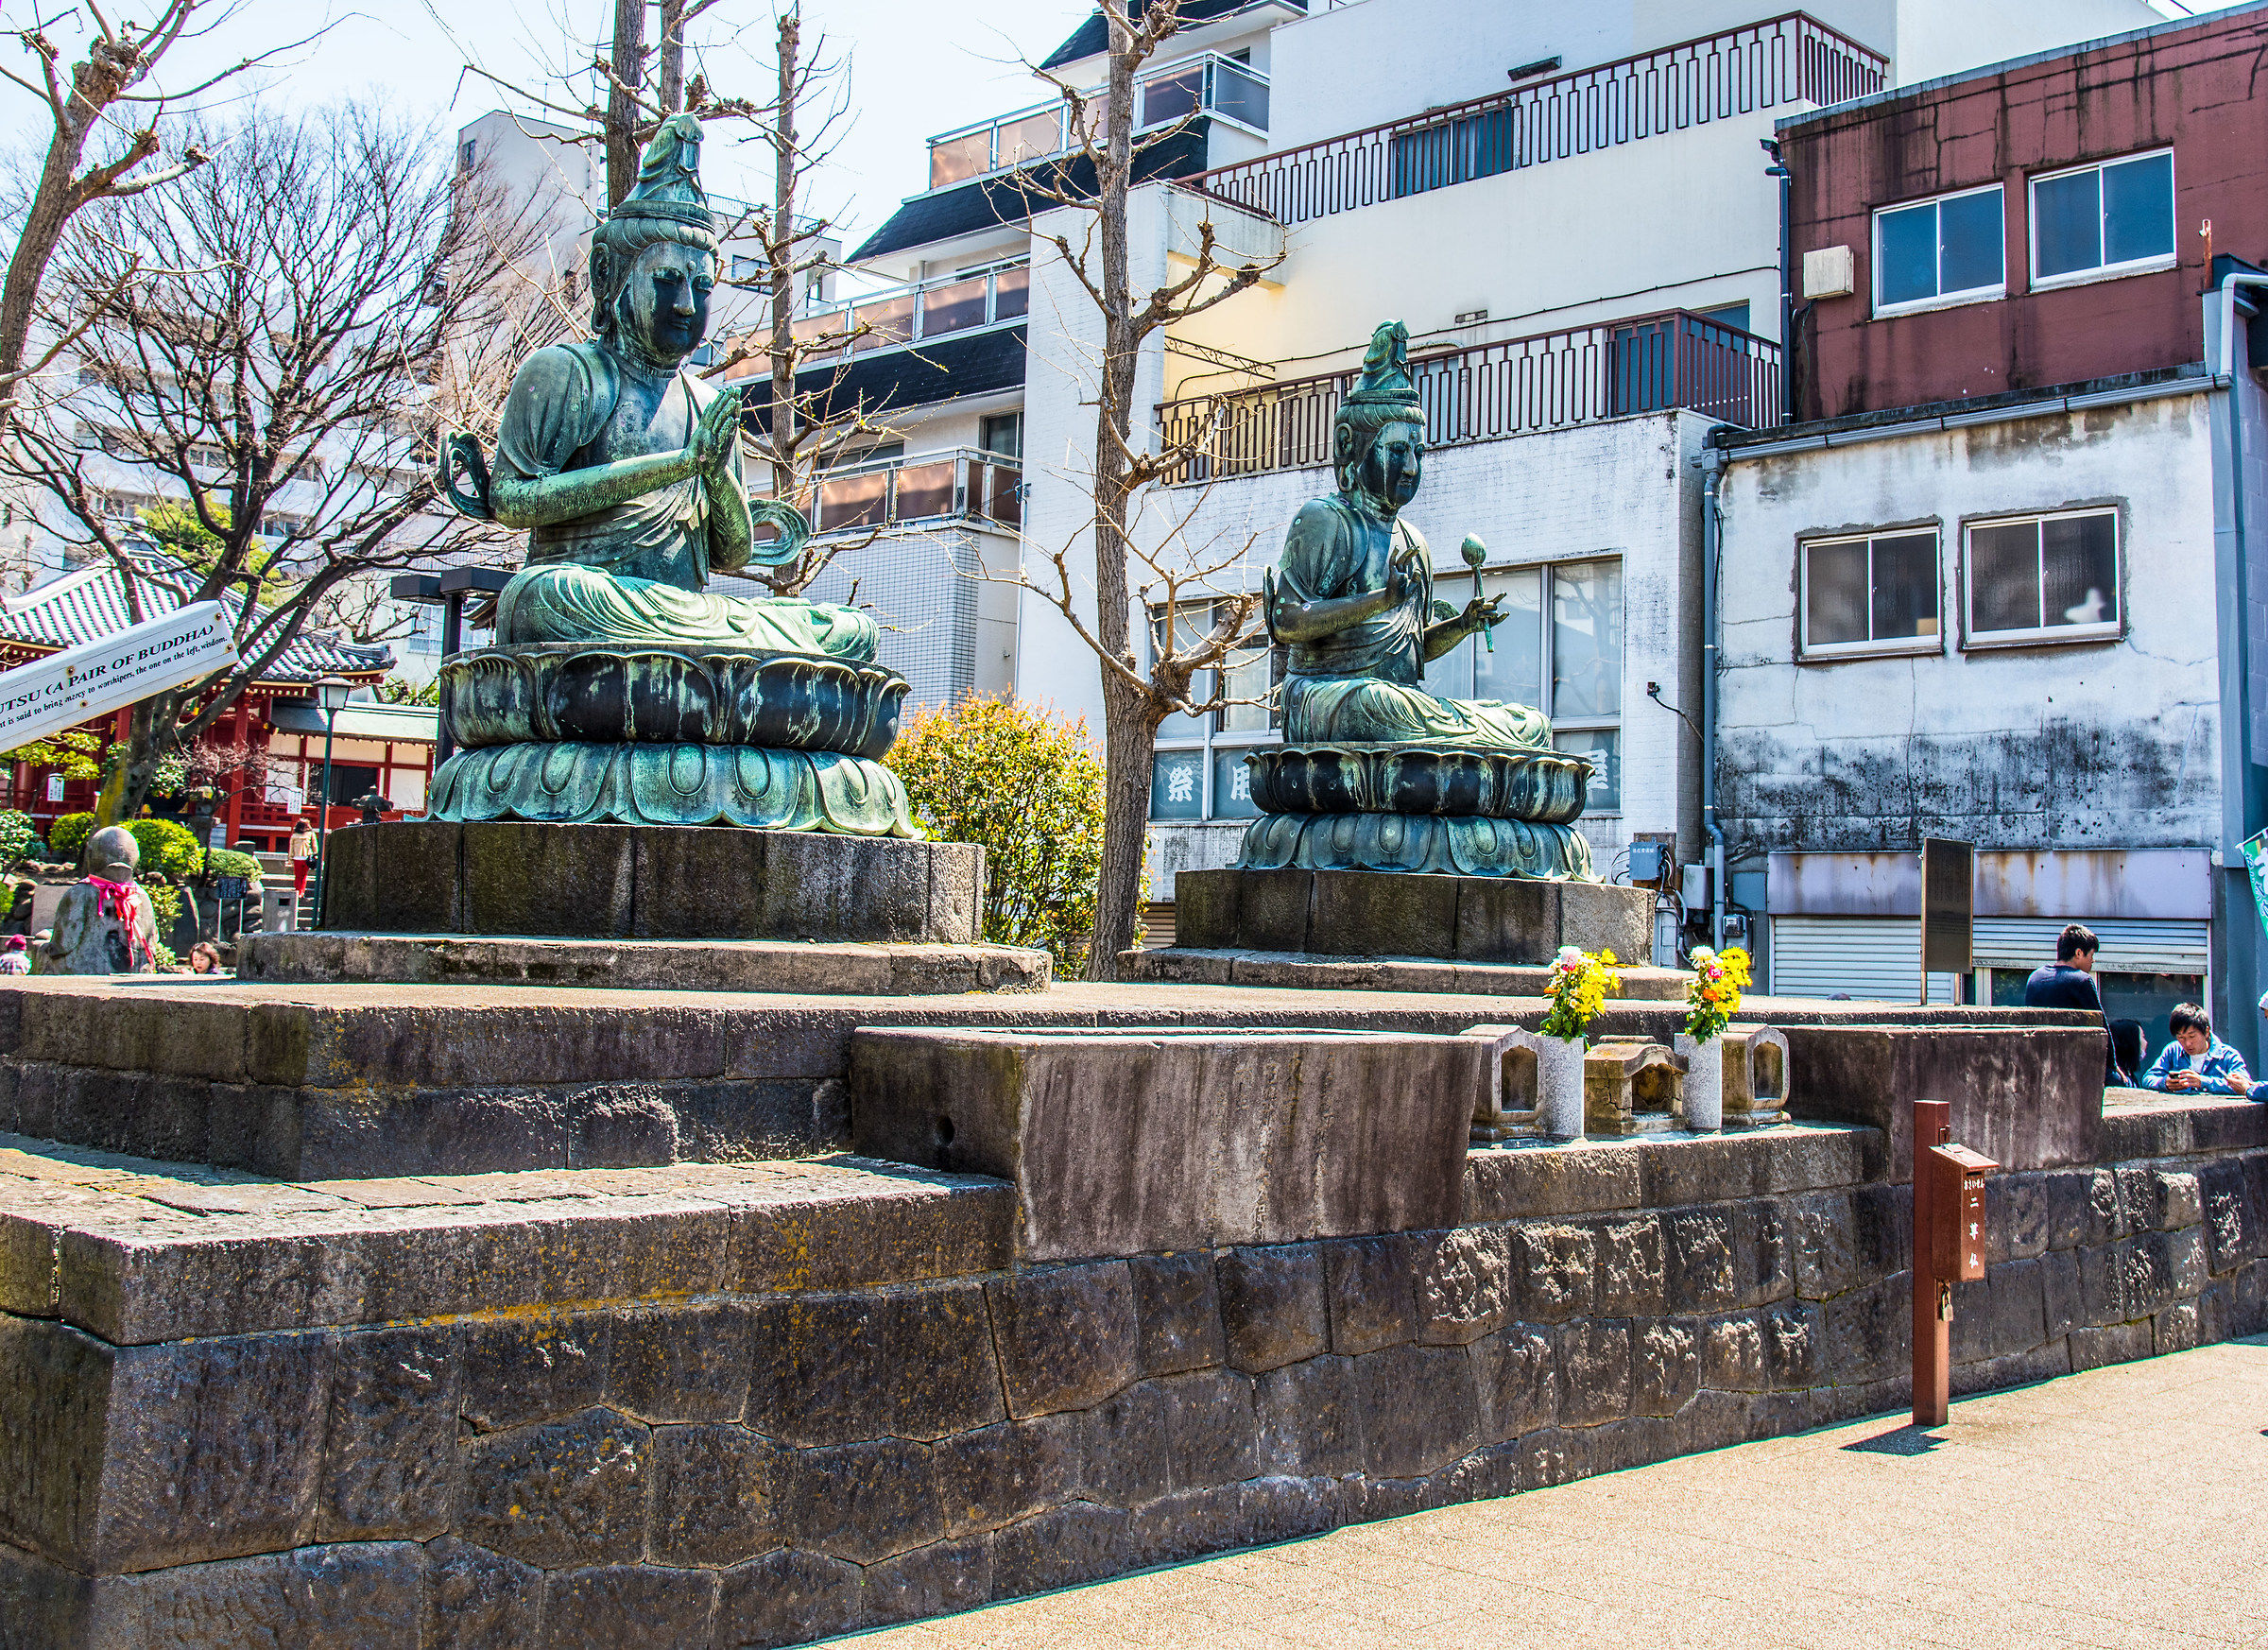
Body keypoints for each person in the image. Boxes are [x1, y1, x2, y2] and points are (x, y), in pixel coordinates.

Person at [2024, 923, 2130, 1085]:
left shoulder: (2035, 978)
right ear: (2079, 953)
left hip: (2038, 1060)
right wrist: (2114, 1067)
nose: (2092, 961)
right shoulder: (2081, 980)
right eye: (2091, 955)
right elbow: (2101, 1027)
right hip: (2072, 1062)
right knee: (2121, 1082)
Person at [2139, 1004, 2252, 1095]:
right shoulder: (2173, 1050)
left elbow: (2245, 1085)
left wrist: (2203, 1082)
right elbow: (2148, 1078)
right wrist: (2165, 1083)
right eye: (2181, 1038)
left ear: (2206, 1032)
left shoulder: (2228, 1056)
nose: (2187, 1043)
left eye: (2192, 1036)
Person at [288, 819, 318, 899]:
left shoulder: (294, 836)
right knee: (304, 876)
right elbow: (314, 846)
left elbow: (291, 848)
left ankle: (297, 891)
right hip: (307, 858)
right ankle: (302, 892)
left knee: (297, 876)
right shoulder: (311, 834)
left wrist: (290, 858)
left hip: (297, 858)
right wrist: (315, 855)